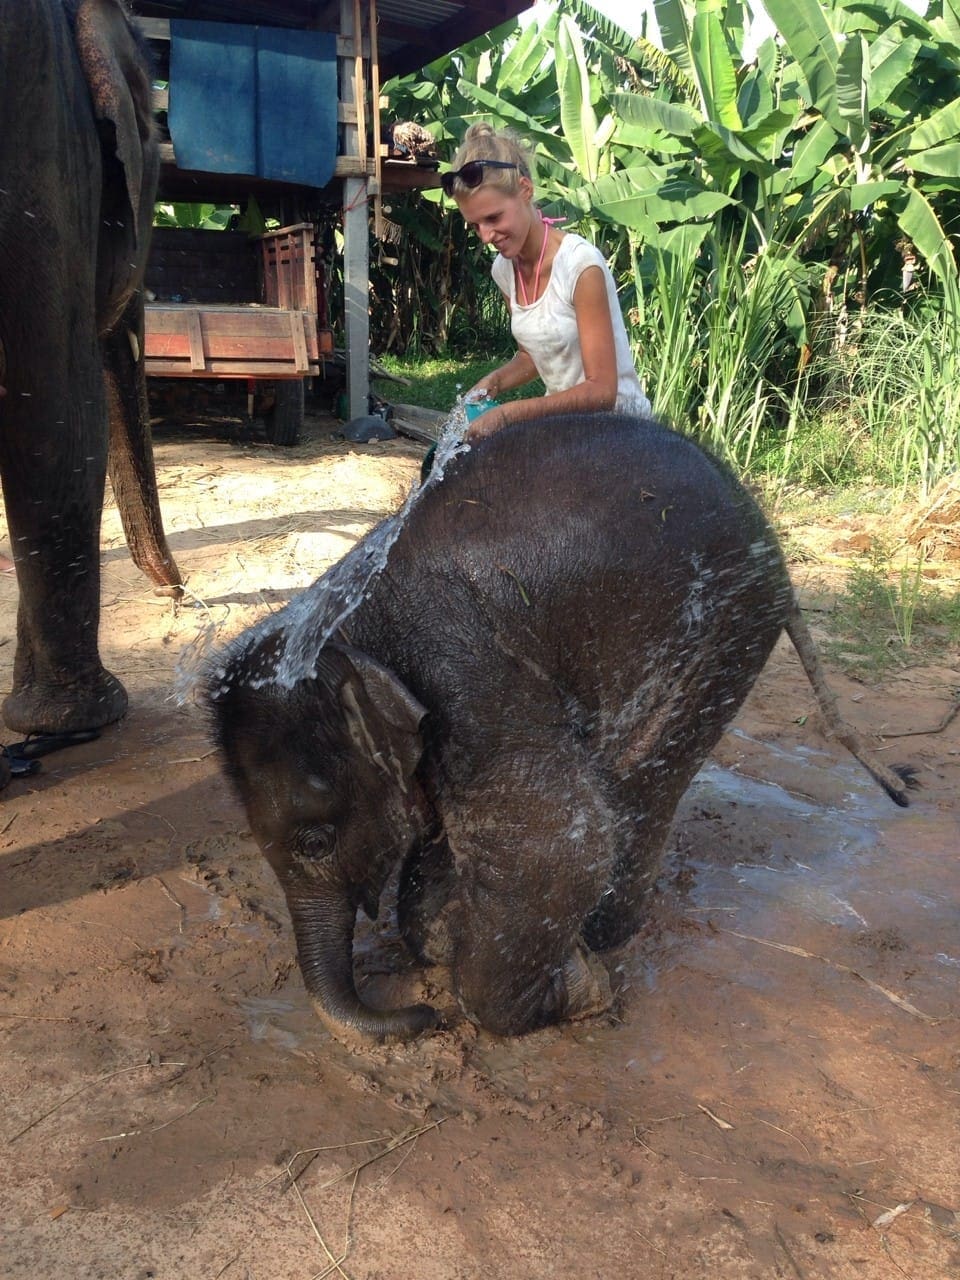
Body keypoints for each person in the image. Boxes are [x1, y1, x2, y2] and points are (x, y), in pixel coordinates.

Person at [441, 123, 650, 440]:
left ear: (525, 190)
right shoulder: (504, 269)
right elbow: (533, 356)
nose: (486, 236)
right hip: (566, 429)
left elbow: (602, 391)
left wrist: (510, 414)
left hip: (619, 432)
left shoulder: (580, 266)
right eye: (475, 226)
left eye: (494, 218)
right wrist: (494, 383)